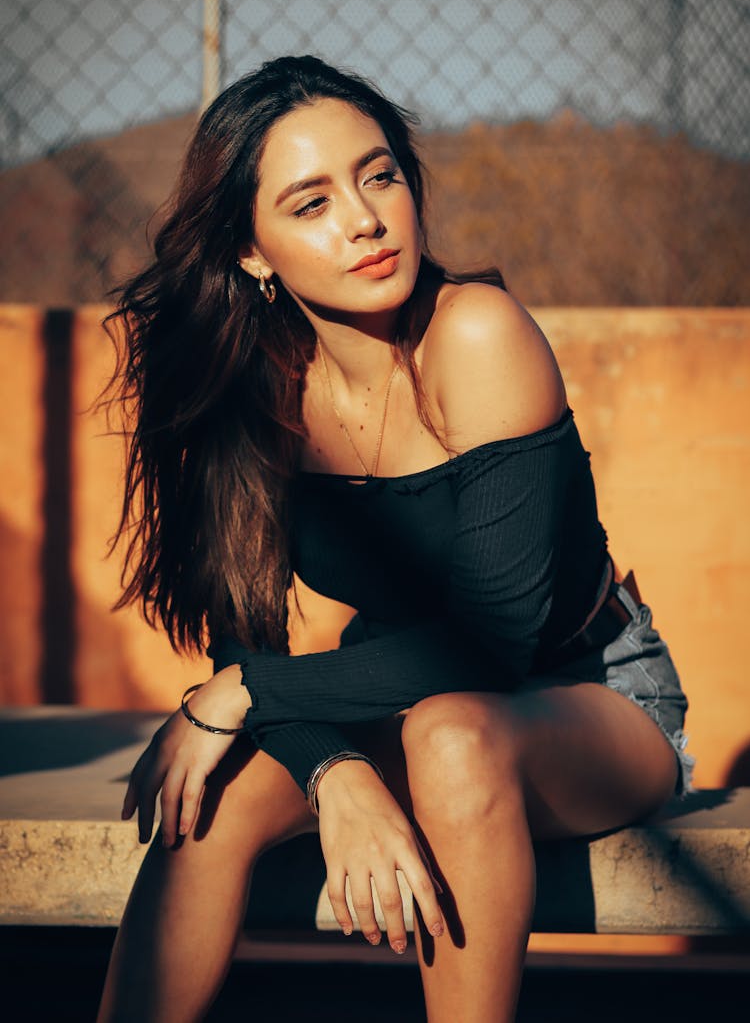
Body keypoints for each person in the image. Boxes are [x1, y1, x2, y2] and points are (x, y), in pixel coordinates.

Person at [96, 55, 693, 1023]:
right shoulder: (247, 387)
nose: (366, 219)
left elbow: (493, 642)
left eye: (380, 176)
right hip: (402, 691)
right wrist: (336, 774)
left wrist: (248, 692)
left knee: (450, 736)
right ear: (253, 251)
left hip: (586, 692)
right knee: (205, 795)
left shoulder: (477, 334)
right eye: (311, 202)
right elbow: (243, 642)